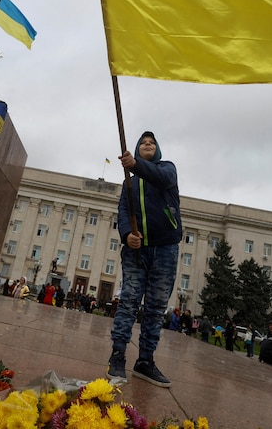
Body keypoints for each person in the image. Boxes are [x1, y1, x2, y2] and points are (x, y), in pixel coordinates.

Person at [106, 131, 182, 388]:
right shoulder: (130, 181)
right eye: (143, 143)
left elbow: (162, 178)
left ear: (156, 150)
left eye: (151, 143)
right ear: (137, 150)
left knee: (155, 307)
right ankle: (117, 357)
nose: (147, 145)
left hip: (165, 249)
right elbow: (124, 210)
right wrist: (127, 234)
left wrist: (137, 165)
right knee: (128, 301)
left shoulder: (167, 169)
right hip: (136, 252)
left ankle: (145, 361)